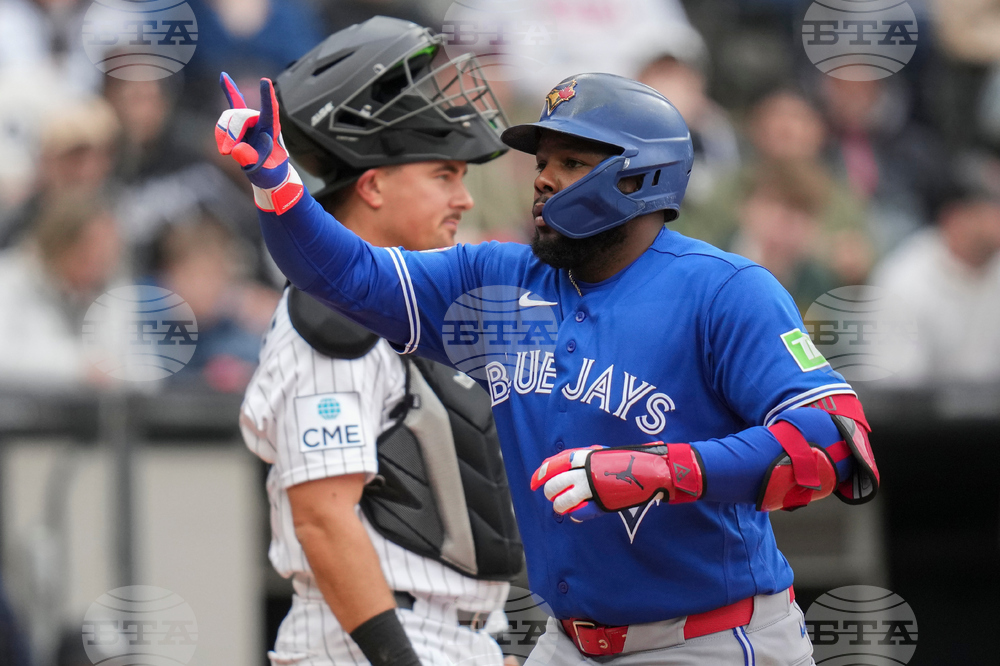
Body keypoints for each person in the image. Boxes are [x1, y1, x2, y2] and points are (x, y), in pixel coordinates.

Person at [220, 60, 881, 664]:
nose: (541, 178)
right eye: (542, 160)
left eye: (568, 161)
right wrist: (277, 185)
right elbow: (347, 277)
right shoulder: (500, 282)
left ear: (635, 174)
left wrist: (662, 470)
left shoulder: (723, 290)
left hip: (711, 637)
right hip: (566, 641)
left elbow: (834, 443)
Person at [235, 18, 522, 666]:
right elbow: (323, 517)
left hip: (458, 636)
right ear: (373, 184)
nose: (465, 199)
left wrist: (493, 641)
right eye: (444, 175)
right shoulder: (331, 315)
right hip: (366, 639)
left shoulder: (429, 303)